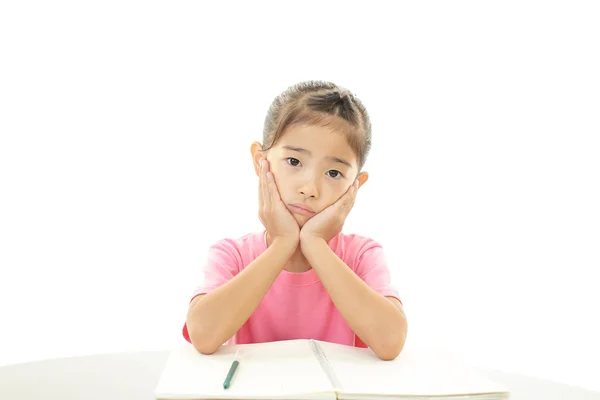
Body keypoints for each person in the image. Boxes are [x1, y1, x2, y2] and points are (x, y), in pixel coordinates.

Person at [182, 80, 407, 360]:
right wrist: (282, 243)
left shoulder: (362, 255)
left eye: (334, 173)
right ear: (260, 161)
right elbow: (203, 335)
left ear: (355, 186)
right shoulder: (232, 254)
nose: (309, 189)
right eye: (294, 162)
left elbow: (391, 342)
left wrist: (315, 243)